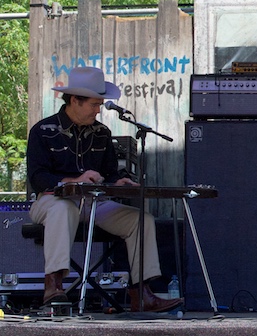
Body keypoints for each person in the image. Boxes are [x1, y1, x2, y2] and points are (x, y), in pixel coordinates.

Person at [26, 67, 183, 312]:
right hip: (50, 201)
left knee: (141, 220)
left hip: (92, 204)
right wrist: (75, 180)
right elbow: (38, 178)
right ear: (75, 100)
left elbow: (110, 172)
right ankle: (53, 284)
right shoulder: (43, 131)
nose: (98, 110)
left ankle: (142, 293)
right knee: (62, 209)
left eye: (100, 104)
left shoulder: (101, 133)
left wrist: (119, 181)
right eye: (94, 104)